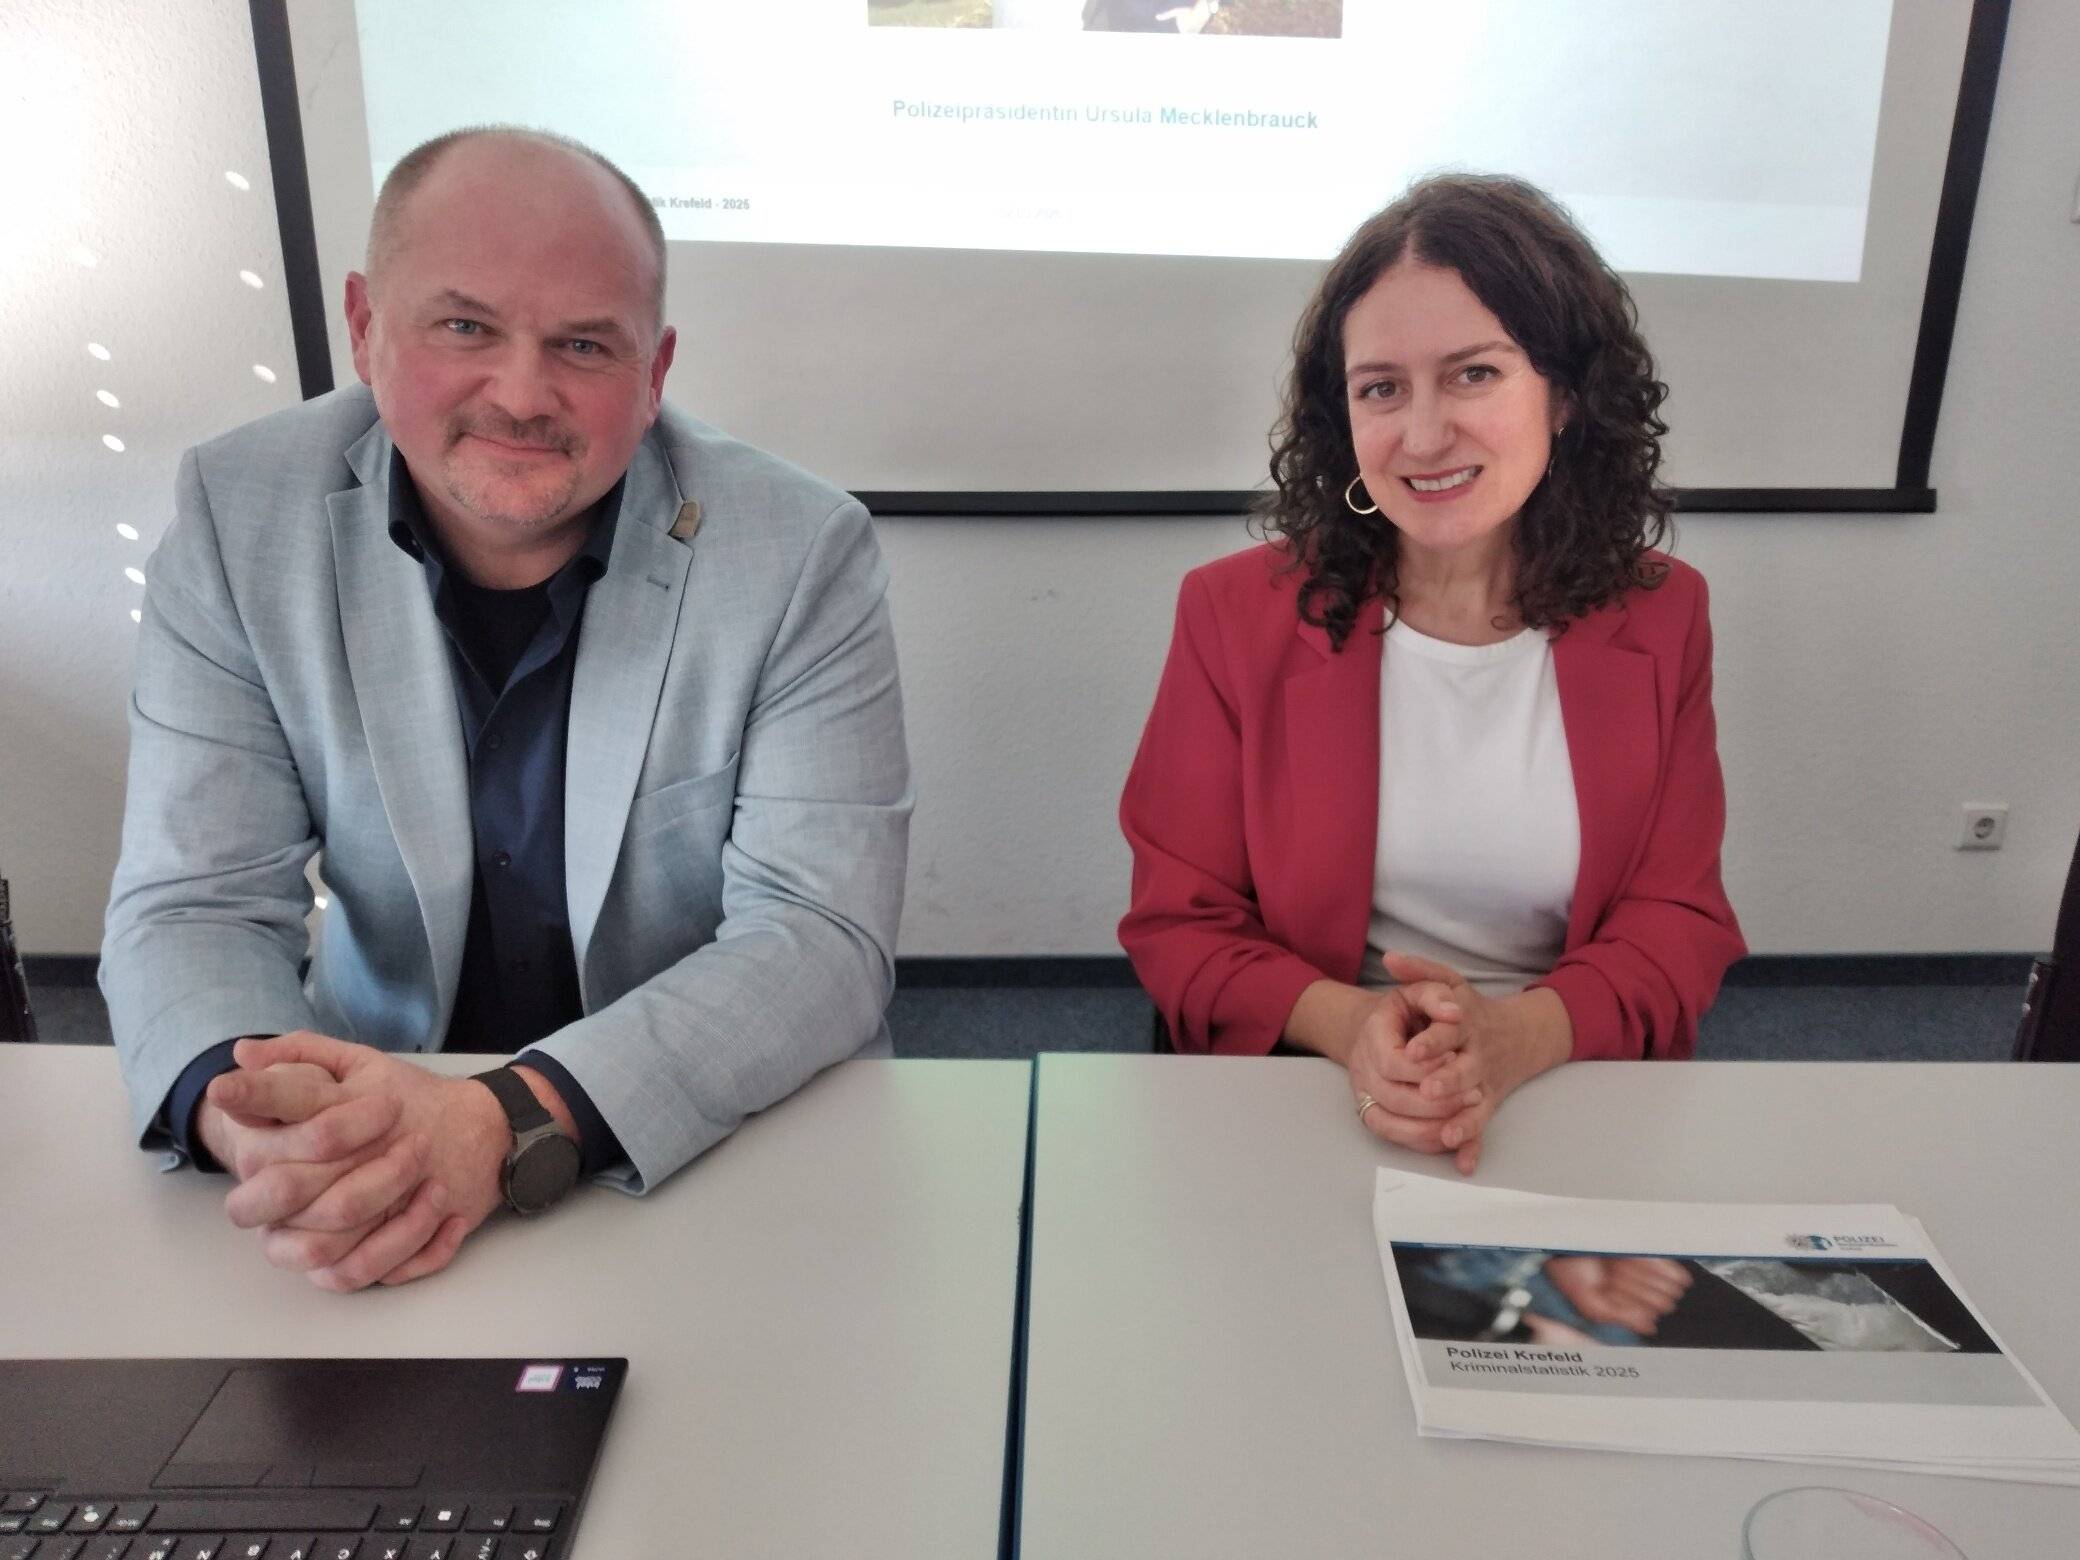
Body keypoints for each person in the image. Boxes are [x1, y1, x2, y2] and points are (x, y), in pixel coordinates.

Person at [101, 127, 911, 1290]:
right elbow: (194, 900)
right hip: (372, 1122)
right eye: (465, 326)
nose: (523, 394)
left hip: (699, 1139)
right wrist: (261, 1114)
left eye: (583, 344)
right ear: (366, 326)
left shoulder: (798, 550)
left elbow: (818, 939)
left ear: (654, 370)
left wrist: (504, 1124)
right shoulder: (240, 519)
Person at [1118, 174, 1743, 1171]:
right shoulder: (1233, 613)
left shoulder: (1662, 614)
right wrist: (1353, 1026)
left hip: (1566, 1073)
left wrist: (1513, 1038)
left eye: (1472, 374)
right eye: (1381, 389)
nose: (1421, 434)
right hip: (1310, 1082)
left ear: (1567, 392)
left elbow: (1677, 920)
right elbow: (1178, 921)